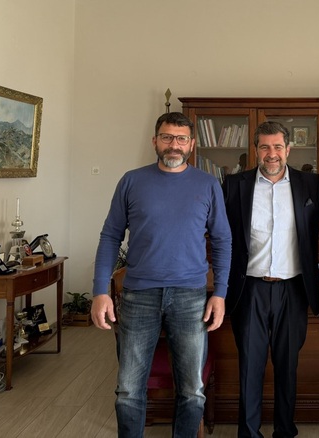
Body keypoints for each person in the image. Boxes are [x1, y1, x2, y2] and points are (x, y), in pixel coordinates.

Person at [90, 112, 232, 438]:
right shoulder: (131, 181)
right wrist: (100, 290)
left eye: (181, 139)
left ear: (192, 144)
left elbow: (222, 240)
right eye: (167, 137)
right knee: (128, 389)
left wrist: (220, 293)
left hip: (191, 296)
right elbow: (110, 236)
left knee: (192, 390)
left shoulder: (208, 185)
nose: (174, 145)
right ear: (155, 141)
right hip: (139, 295)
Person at [222, 121, 319, 438]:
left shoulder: (310, 183)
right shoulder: (234, 185)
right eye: (265, 147)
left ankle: (285, 431)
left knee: (287, 366)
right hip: (249, 289)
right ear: (255, 150)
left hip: (293, 289)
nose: (272, 154)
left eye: (278, 147)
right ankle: (248, 433)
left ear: (288, 149)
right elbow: (214, 228)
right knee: (250, 366)